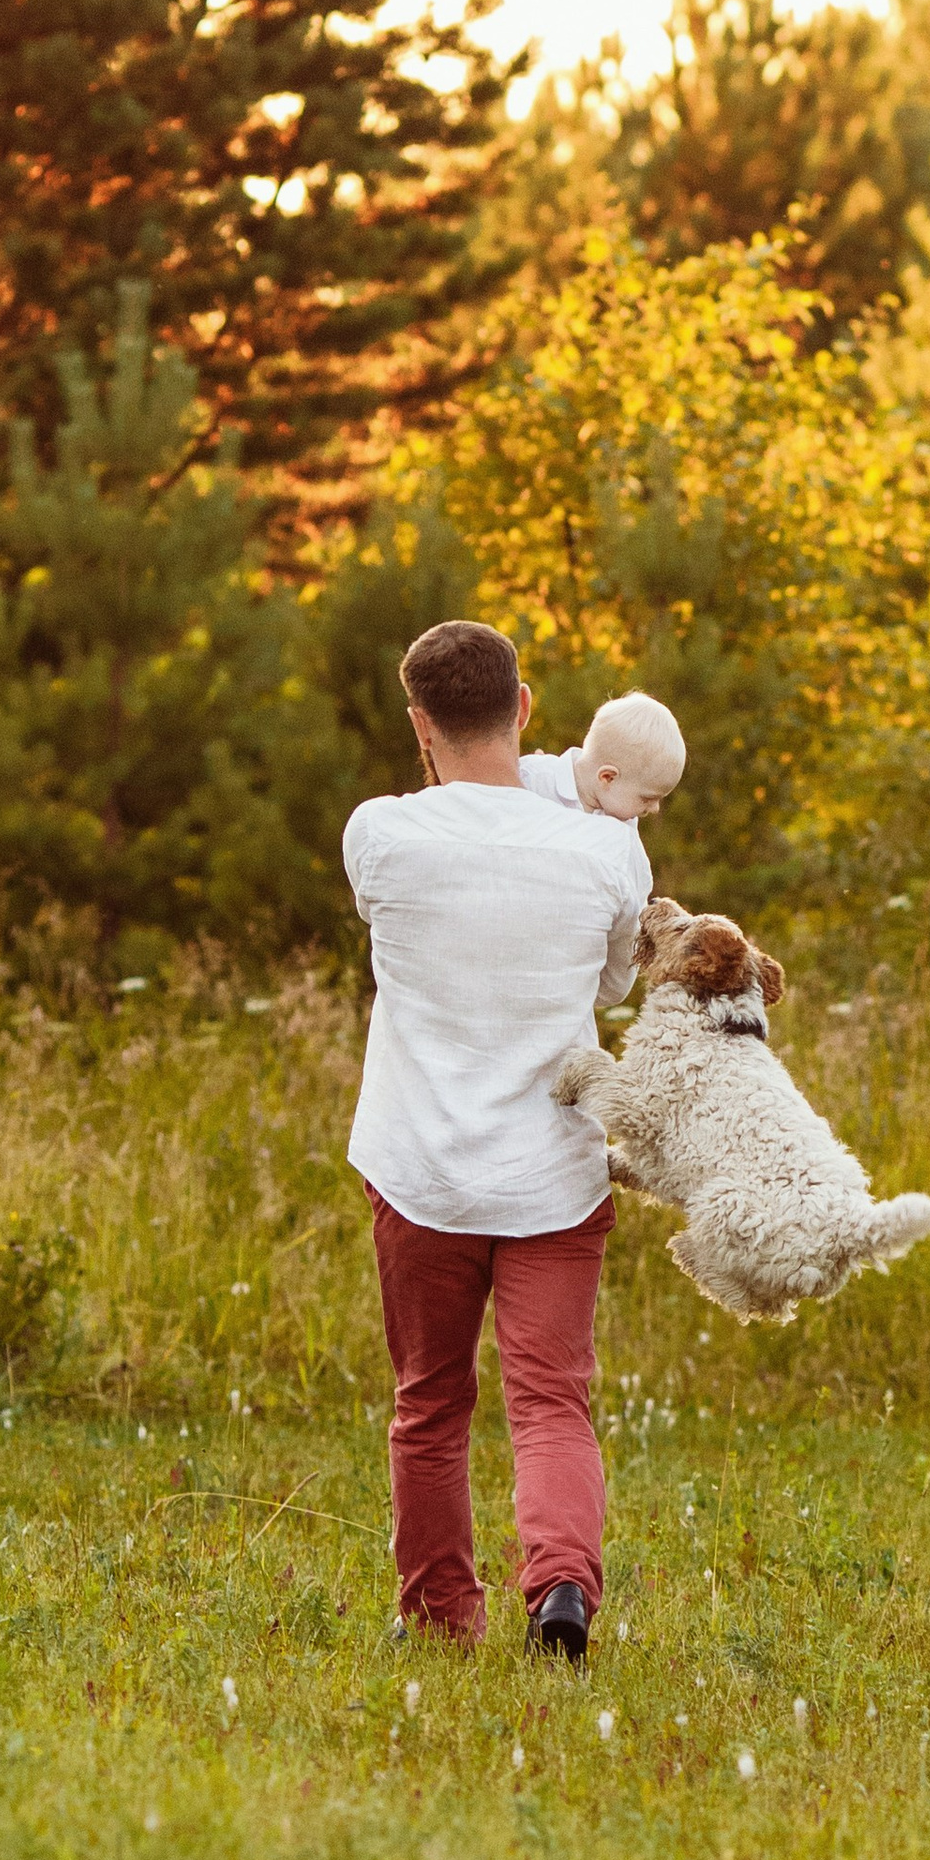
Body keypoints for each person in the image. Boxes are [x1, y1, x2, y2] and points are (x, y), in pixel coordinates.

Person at [342, 625, 684, 1659]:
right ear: (526, 708)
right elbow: (615, 985)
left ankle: (442, 1616)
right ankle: (562, 1588)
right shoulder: (604, 853)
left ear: (419, 725)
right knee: (550, 1401)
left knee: (430, 1404)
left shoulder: (379, 834)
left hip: (422, 1173)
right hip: (553, 1180)